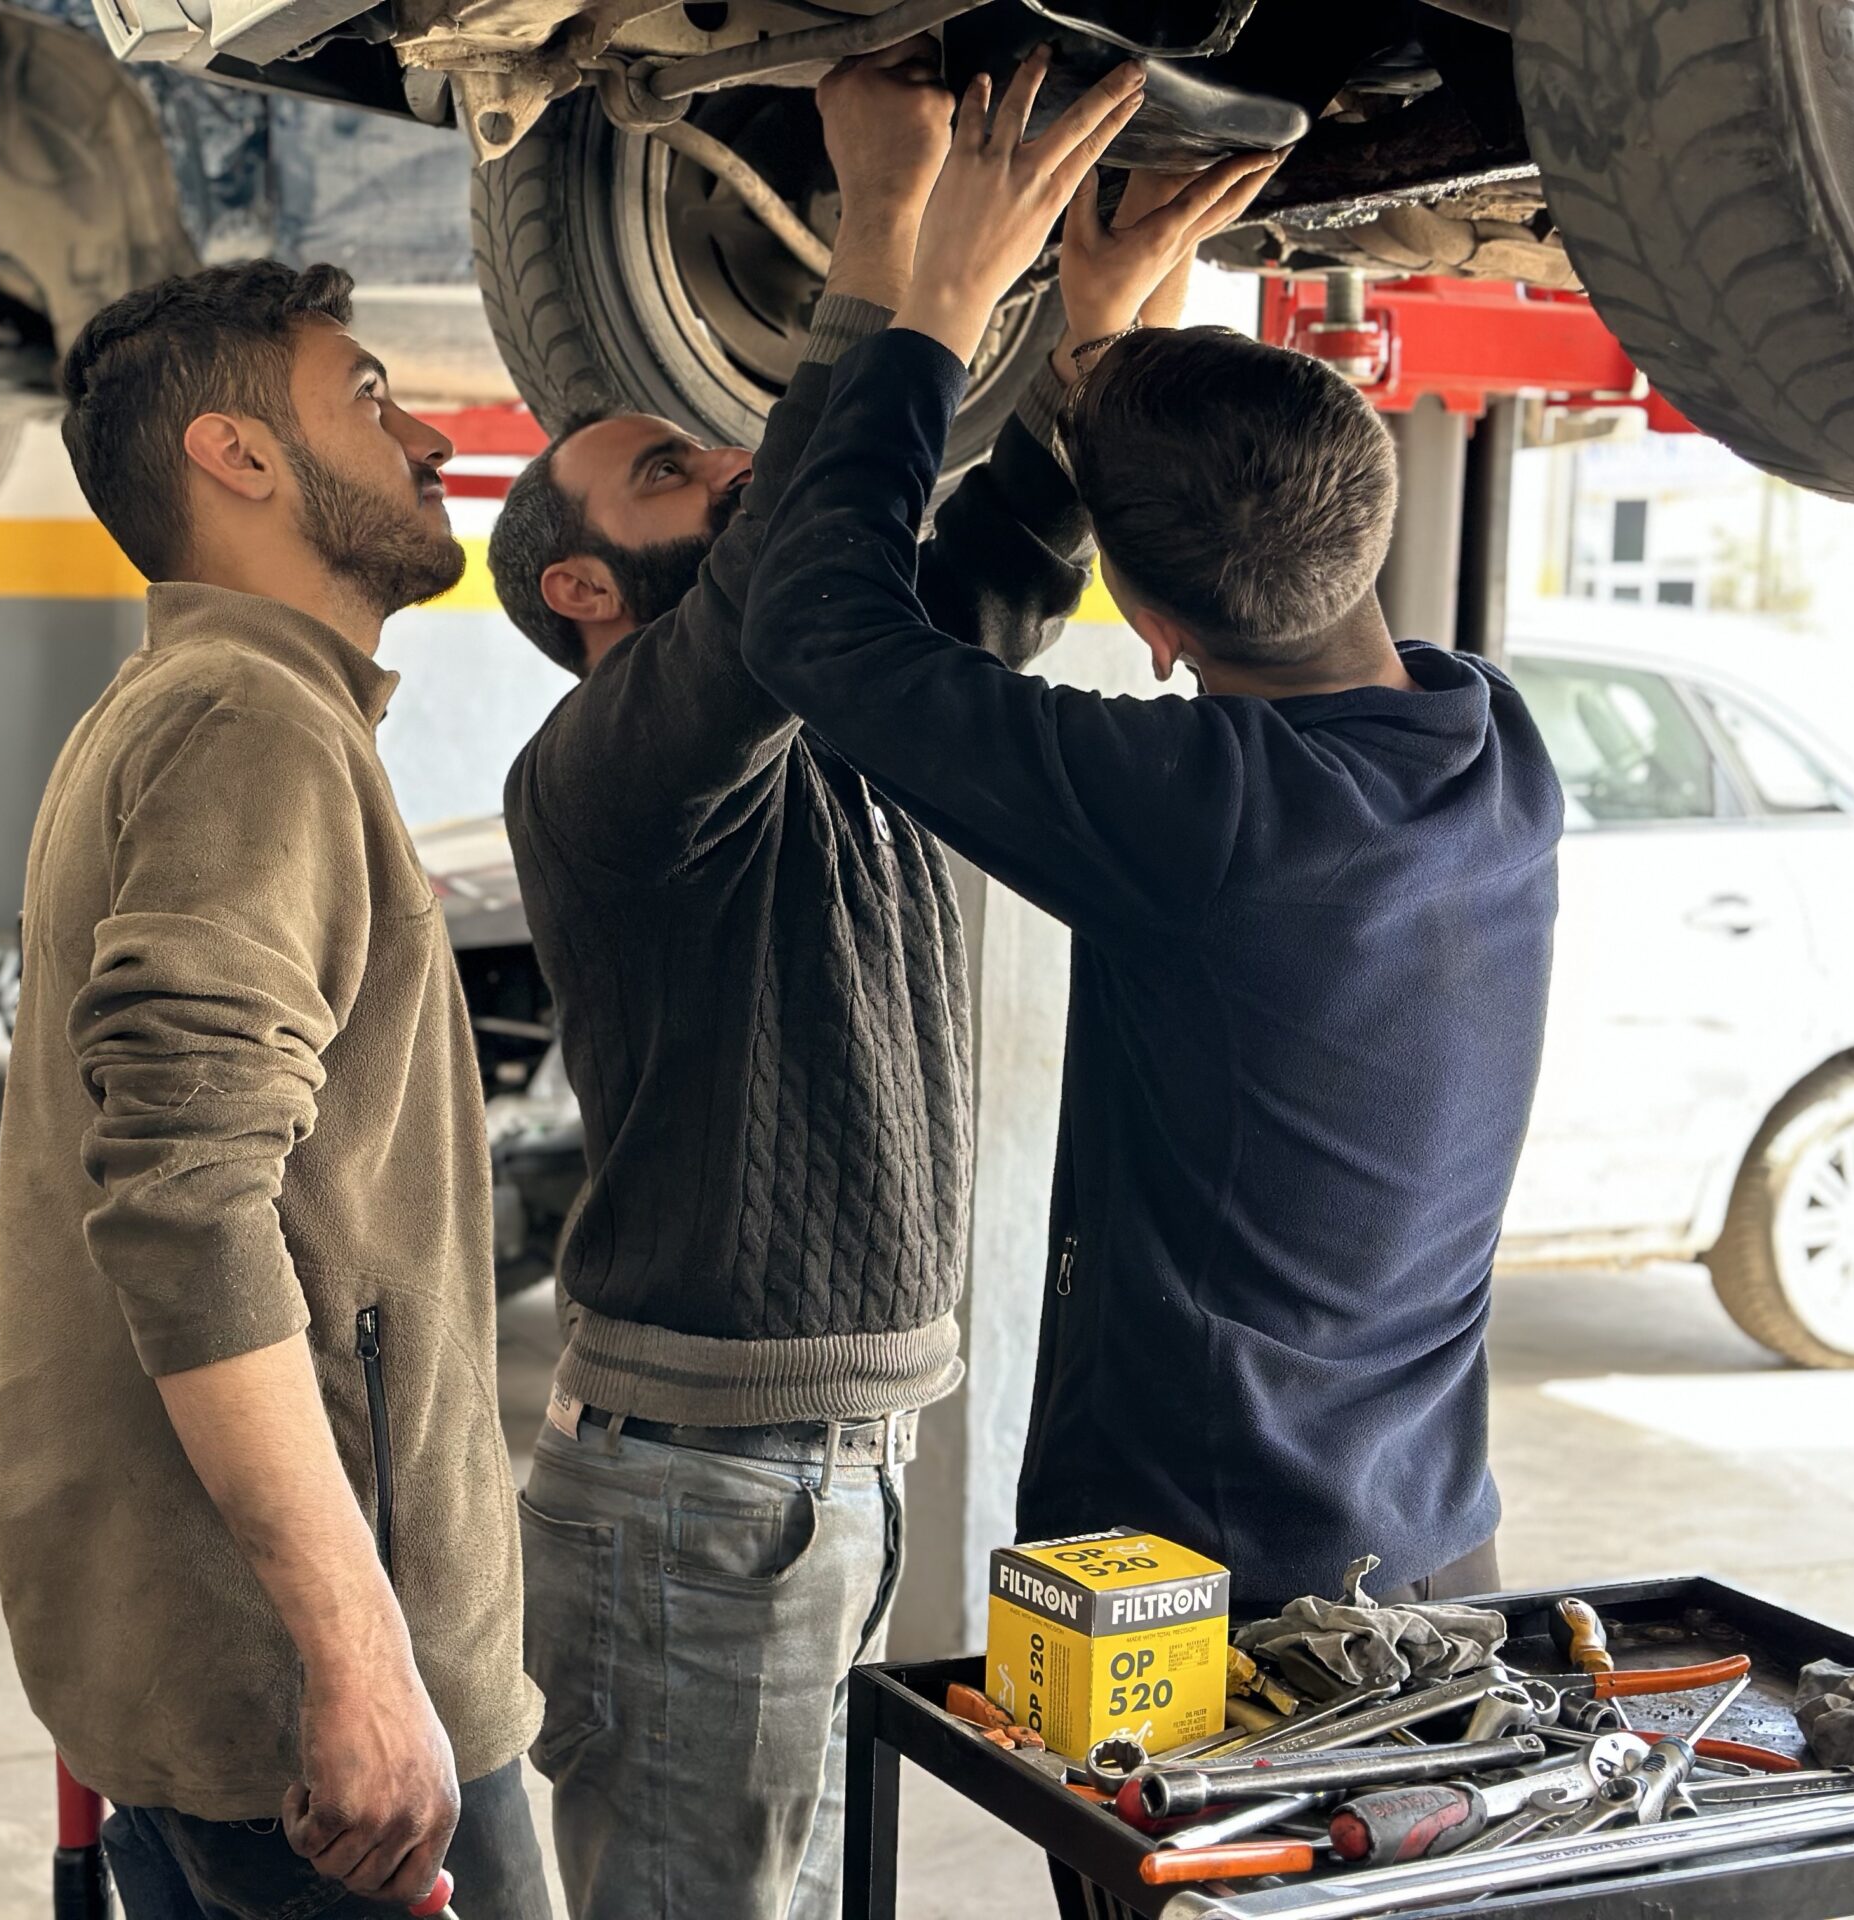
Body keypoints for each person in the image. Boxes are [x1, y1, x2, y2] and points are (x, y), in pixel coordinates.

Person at [739, 53, 1563, 1911]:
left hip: (1201, 1616)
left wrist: (929, 289)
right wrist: (1102, 353)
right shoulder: (1492, 750)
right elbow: (1247, 583)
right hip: (1433, 1562)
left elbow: (818, 628)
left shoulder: (1207, 815)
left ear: (1150, 631)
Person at [483, 46, 1164, 1920]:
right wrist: (885, 229)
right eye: (656, 469)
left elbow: (993, 579)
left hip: (781, 1486)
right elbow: (796, 538)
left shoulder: (819, 715)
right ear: (588, 599)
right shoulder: (610, 768)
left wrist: (1096, 320)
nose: (712, 447)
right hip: (702, 1499)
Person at [0, 259, 545, 1920]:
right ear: (237, 457)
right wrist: (362, 1657)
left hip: (217, 1668)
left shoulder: (181, 707)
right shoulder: (250, 723)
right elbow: (183, 1203)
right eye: (367, 395)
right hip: (306, 1715)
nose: (429, 434)